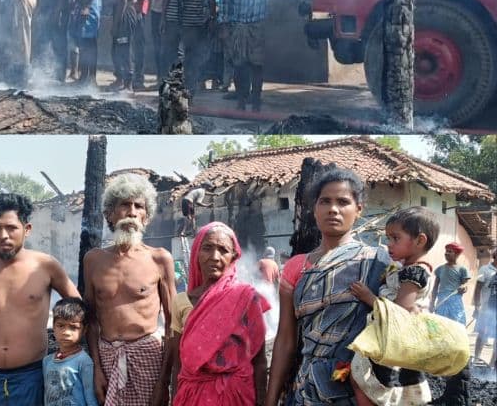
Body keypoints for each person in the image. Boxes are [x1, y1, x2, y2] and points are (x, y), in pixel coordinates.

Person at [264, 168, 385, 406]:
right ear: (314, 209)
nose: (333, 209)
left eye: (343, 202)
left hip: (357, 387)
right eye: (325, 201)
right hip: (307, 386)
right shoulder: (296, 267)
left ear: (358, 209)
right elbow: (286, 339)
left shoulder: (377, 262)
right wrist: (270, 398)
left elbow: (392, 323)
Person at [0, 193, 82, 406]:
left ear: (27, 229)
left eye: (11, 228)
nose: (3, 235)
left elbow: (79, 309)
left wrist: (69, 357)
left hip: (32, 377)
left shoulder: (46, 266)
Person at [82, 173, 175, 406]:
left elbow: (174, 324)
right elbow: (90, 320)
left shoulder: (160, 259)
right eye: (124, 205)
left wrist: (163, 382)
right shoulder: (93, 260)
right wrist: (96, 369)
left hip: (149, 359)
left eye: (139, 206)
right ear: (110, 214)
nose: (132, 212)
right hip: (107, 357)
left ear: (147, 216)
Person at [164, 222, 269, 406]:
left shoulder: (246, 298)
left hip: (236, 396)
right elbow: (179, 363)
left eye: (223, 250)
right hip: (193, 396)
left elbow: (259, 361)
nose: (214, 257)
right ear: (196, 252)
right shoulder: (181, 301)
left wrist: (262, 401)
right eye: (207, 248)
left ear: (234, 257)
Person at [348, 206, 439, 406]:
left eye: (395, 238)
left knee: (363, 379)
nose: (389, 244)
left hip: (394, 340)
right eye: (388, 238)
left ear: (420, 240)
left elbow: (400, 310)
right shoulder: (405, 269)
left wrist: (368, 297)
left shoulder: (414, 273)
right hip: (396, 340)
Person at [217, 0, 303, 112]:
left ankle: (256, 100)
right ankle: (241, 100)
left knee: (257, 65)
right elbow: (225, 4)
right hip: (238, 26)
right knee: (240, 66)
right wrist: (224, 28)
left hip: (258, 25)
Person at [43, 297, 100, 406]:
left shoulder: (83, 361)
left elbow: (90, 396)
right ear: (53, 327)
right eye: (60, 326)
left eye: (73, 327)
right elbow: (46, 395)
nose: (66, 332)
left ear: (84, 330)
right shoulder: (47, 361)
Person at [109, 0, 148, 91]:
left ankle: (128, 84)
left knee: (123, 48)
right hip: (131, 10)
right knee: (123, 46)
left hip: (125, 13)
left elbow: (123, 2)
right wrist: (136, 1)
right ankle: (125, 82)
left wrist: (115, 24)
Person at [432, 242, 471, 325]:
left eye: (450, 251)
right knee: (440, 325)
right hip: (441, 300)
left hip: (455, 300)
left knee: (458, 324)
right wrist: (431, 303)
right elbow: (435, 288)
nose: (446, 253)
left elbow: (465, 285)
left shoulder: (462, 269)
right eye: (446, 251)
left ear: (457, 254)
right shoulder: (440, 269)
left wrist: (463, 287)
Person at [475, 248, 496, 367]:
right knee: (482, 334)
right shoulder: (485, 269)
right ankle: (476, 359)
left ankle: (492, 364)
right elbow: (478, 288)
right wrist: (477, 306)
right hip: (486, 309)